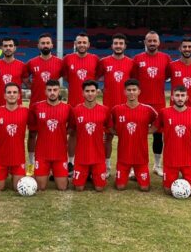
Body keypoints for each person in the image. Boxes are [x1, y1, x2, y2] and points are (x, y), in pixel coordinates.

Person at [131, 31, 171, 177]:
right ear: (145, 42)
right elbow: (134, 78)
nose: (152, 43)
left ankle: (157, 165)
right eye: (150, 41)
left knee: (158, 135)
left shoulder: (166, 58)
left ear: (159, 43)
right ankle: (133, 167)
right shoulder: (137, 59)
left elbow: (166, 75)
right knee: (136, 135)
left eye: (155, 41)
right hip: (140, 103)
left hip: (159, 103)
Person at [24, 33, 64, 172]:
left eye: (48, 43)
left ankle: (53, 165)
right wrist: (33, 87)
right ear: (38, 46)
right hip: (35, 105)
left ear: (52, 45)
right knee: (33, 134)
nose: (45, 45)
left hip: (54, 105)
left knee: (53, 134)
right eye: (43, 43)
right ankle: (31, 165)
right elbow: (24, 77)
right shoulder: (31, 62)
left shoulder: (60, 63)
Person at [110, 79, 158, 192]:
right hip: (123, 157)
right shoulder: (117, 110)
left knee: (144, 188)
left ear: (139, 91)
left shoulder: (148, 109)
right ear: (124, 92)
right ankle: (125, 174)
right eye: (129, 90)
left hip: (141, 157)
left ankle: (138, 173)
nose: (131, 92)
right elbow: (109, 126)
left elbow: (158, 122)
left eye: (134, 90)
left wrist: (146, 131)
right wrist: (120, 132)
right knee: (120, 187)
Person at [97, 33, 134, 175]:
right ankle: (106, 166)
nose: (118, 46)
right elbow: (96, 77)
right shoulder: (104, 62)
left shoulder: (131, 63)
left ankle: (130, 167)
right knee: (107, 138)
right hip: (109, 108)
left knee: (129, 138)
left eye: (121, 43)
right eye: (116, 43)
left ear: (125, 46)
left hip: (127, 107)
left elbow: (134, 84)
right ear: (112, 46)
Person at [62, 32, 99, 170]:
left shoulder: (95, 59)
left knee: (90, 133)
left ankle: (91, 161)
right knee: (72, 133)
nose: (82, 45)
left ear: (88, 45)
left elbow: (97, 75)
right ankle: (71, 161)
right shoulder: (67, 59)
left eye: (84, 42)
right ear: (75, 44)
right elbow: (65, 75)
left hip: (91, 105)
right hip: (72, 104)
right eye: (79, 42)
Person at [28, 79, 73, 191]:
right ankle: (35, 171)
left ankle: (62, 173)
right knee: (40, 187)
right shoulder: (36, 107)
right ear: (45, 91)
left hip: (60, 153)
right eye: (49, 90)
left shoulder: (67, 108)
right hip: (42, 153)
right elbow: (32, 132)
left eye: (55, 90)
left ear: (59, 91)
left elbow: (72, 127)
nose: (52, 92)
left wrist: (62, 132)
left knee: (62, 187)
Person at [156, 86, 191, 196]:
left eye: (182, 95)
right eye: (177, 95)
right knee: (167, 191)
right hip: (171, 159)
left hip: (188, 159)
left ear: (187, 98)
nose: (180, 98)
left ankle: (190, 176)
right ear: (172, 97)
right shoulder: (164, 112)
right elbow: (154, 128)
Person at [71, 80, 111, 192]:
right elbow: (72, 130)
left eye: (92, 91)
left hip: (98, 156)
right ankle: (86, 173)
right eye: (87, 91)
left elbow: (110, 128)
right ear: (82, 93)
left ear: (97, 92)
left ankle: (93, 173)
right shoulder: (76, 110)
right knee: (78, 188)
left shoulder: (105, 110)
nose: (90, 94)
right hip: (81, 156)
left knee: (99, 188)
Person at [0, 83, 30, 191]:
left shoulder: (26, 112)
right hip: (1, 159)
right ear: (4, 95)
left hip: (18, 158)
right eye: (9, 92)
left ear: (19, 96)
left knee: (18, 188)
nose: (12, 95)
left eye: (14, 92)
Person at [168, 37, 191, 109]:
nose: (187, 49)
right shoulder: (171, 66)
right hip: (176, 106)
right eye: (184, 47)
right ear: (180, 49)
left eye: (189, 47)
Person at [0, 37, 26, 107]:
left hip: (17, 106)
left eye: (10, 46)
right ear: (1, 48)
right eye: (5, 46)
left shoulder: (22, 65)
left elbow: (28, 83)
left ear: (15, 48)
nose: (8, 48)